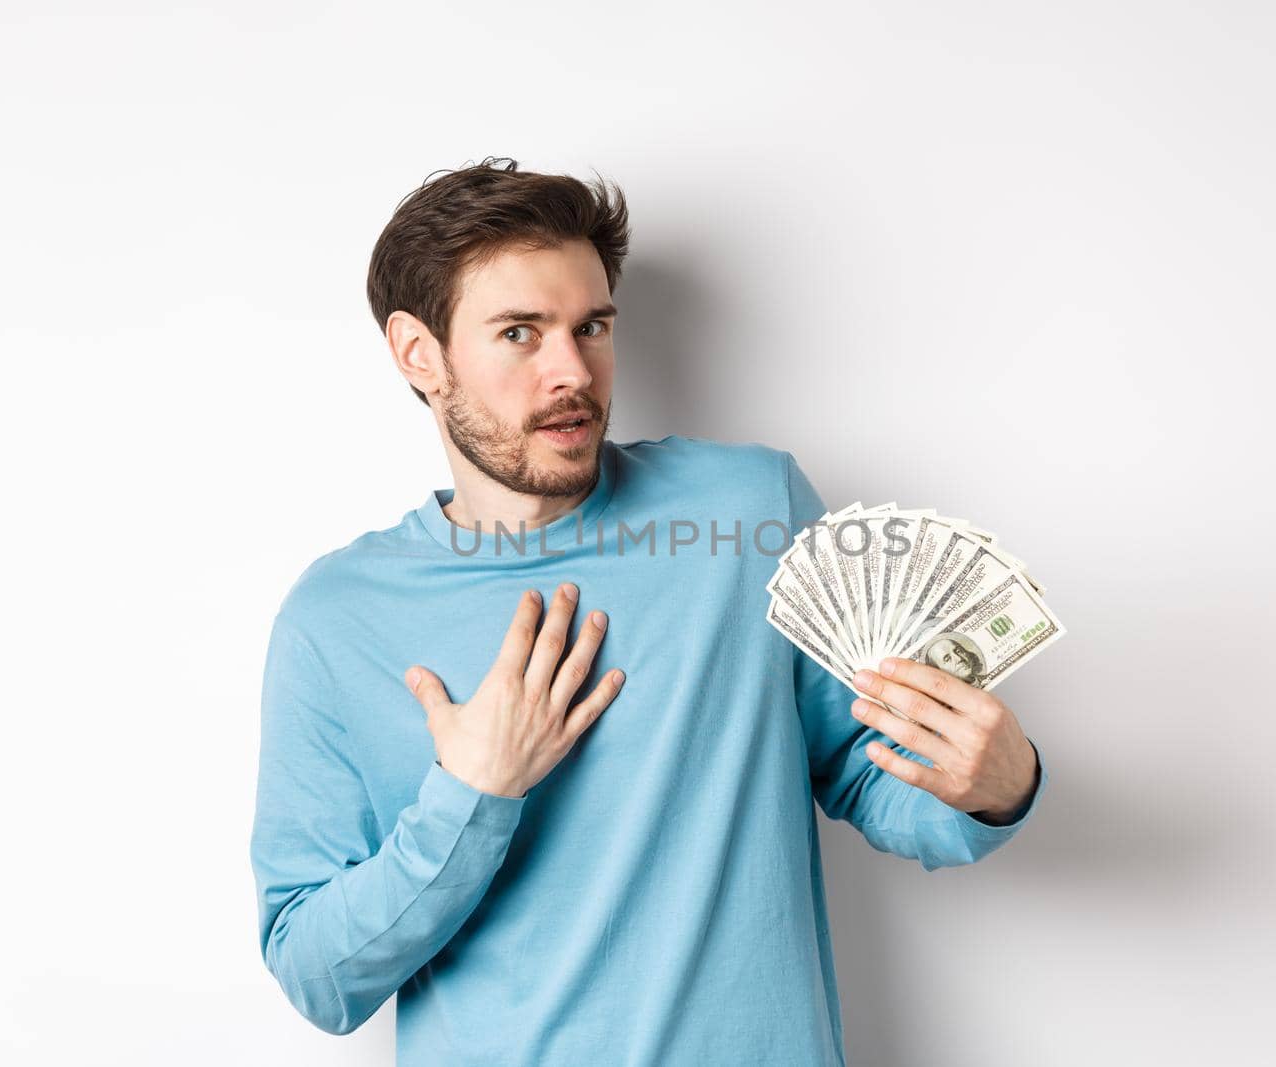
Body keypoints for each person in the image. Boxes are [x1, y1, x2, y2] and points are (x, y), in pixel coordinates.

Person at [249, 156, 1047, 1066]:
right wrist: (470, 794)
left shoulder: (754, 508)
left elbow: (872, 777)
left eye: (591, 325)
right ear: (419, 354)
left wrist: (995, 791)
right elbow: (318, 977)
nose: (572, 372)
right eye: (520, 332)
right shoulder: (336, 617)